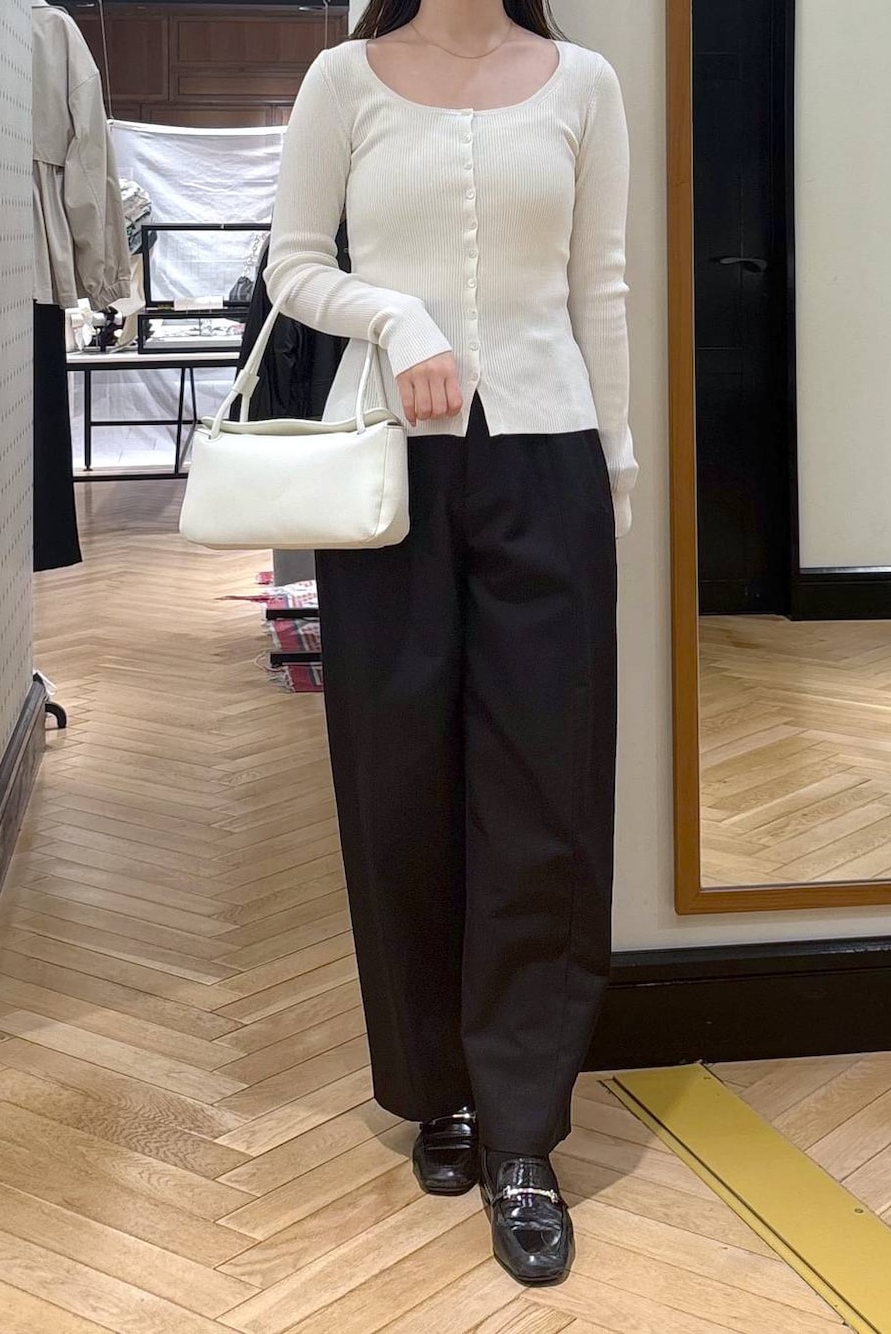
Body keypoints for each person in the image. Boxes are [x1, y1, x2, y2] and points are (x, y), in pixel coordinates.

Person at [264, 0, 637, 1285]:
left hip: (550, 459)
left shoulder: (582, 82)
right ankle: (439, 1088)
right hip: (390, 465)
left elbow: (600, 284)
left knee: (549, 795)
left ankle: (524, 1127)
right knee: (398, 777)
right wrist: (398, 318)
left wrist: (615, 471)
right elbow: (291, 264)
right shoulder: (344, 79)